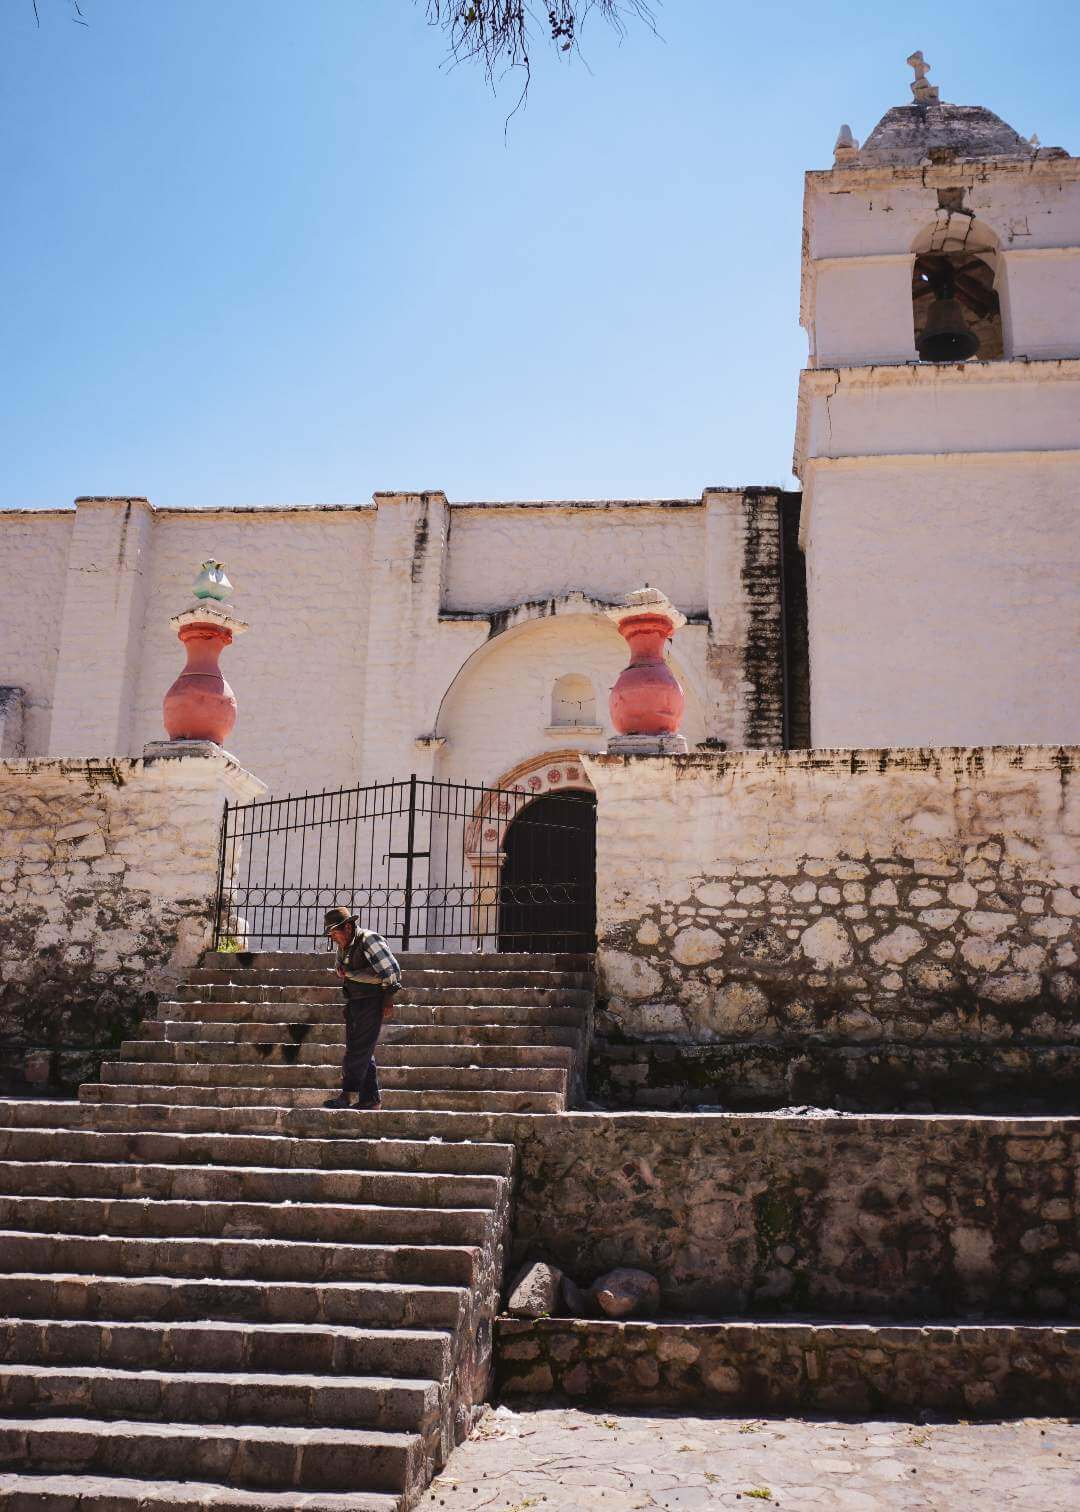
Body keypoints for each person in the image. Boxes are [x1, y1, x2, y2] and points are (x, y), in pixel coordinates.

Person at [321, 905, 402, 1111]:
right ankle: (370, 1099)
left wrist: (387, 1000)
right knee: (361, 1049)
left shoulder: (368, 939)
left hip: (372, 1001)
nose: (333, 937)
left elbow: (392, 971)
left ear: (348, 927)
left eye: (335, 932)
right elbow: (343, 970)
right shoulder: (345, 945)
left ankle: (347, 1095)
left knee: (357, 1051)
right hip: (355, 1002)